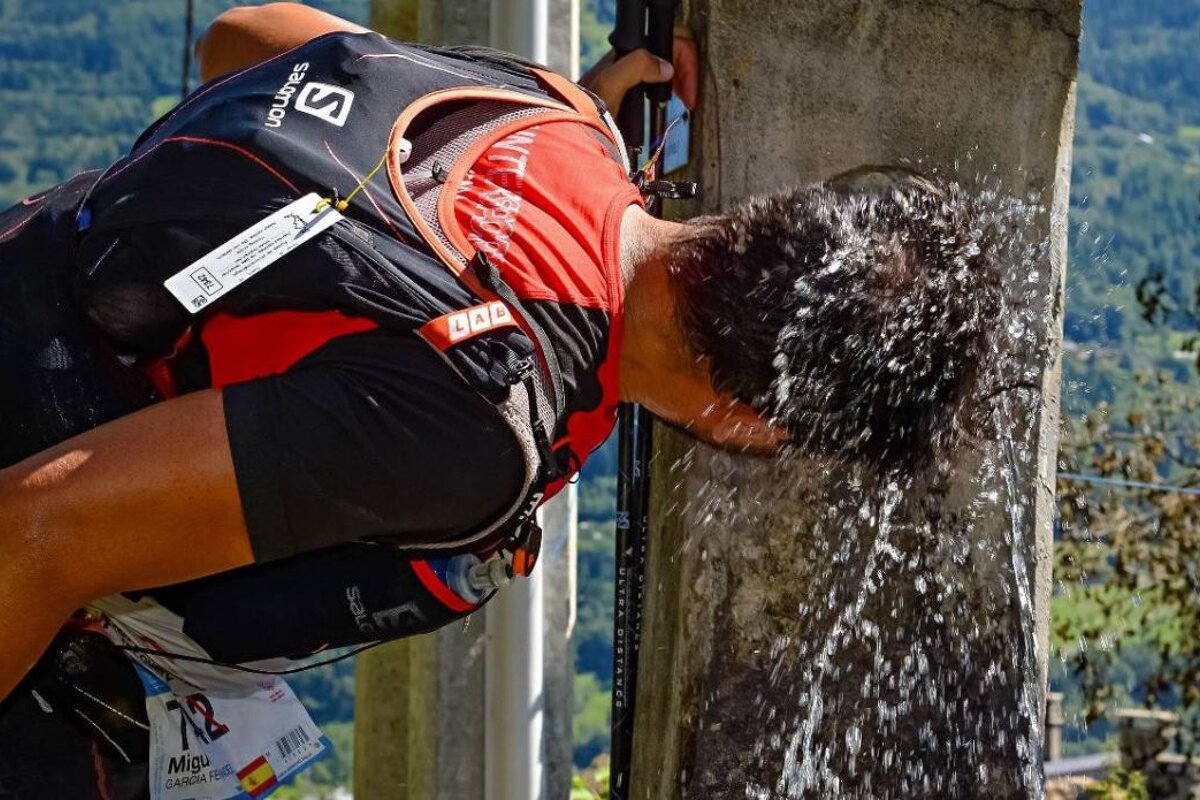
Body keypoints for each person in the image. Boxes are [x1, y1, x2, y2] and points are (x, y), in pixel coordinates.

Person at [0, 3, 1000, 796]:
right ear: (755, 421)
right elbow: (32, 534)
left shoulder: (548, 114)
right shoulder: (478, 419)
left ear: (759, 220)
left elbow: (243, 40)